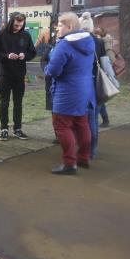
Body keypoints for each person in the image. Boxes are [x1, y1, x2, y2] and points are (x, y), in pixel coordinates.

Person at [45, 12, 95, 175]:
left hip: (67, 91)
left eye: (59, 26)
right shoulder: (89, 41)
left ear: (70, 27)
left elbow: (53, 70)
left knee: (61, 125)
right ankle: (83, 157)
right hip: (85, 90)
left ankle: (69, 163)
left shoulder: (65, 45)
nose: (57, 29)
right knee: (82, 123)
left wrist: (47, 68)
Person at [0, 12, 36, 141]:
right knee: (4, 102)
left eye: (21, 25)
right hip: (5, 74)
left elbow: (32, 52)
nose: (18, 28)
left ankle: (18, 129)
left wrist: (24, 56)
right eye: (16, 25)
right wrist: (7, 56)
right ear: (11, 22)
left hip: (19, 74)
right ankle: (4, 129)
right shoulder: (0, 35)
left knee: (18, 103)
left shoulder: (26, 35)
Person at [79, 13, 107, 159]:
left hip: (83, 84)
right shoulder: (99, 42)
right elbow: (105, 63)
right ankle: (92, 150)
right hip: (98, 84)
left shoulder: (77, 41)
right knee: (93, 119)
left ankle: (83, 149)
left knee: (82, 119)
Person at [93, 27, 119, 128]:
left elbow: (109, 58)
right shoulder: (102, 41)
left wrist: (105, 69)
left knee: (100, 97)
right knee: (100, 96)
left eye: (96, 35)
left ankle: (101, 119)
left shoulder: (103, 42)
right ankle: (105, 119)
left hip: (103, 72)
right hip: (101, 72)